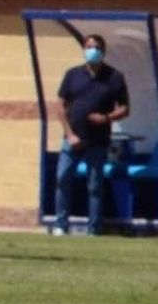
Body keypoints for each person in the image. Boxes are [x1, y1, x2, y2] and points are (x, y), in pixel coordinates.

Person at [52, 34, 130, 237]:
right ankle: (61, 224)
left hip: (98, 140)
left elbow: (125, 108)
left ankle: (93, 228)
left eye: (96, 47)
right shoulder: (73, 75)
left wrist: (107, 118)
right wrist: (69, 135)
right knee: (62, 178)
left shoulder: (114, 77)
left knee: (94, 185)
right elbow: (61, 106)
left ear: (103, 51)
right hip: (73, 139)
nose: (92, 51)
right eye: (88, 47)